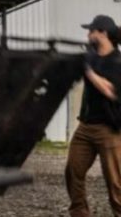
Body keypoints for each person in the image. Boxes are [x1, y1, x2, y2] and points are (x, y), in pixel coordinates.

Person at [66, 14, 121, 217]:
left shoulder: (117, 62)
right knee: (73, 171)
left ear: (103, 33)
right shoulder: (90, 56)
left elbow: (110, 90)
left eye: (91, 31)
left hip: (109, 129)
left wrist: (88, 72)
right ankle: (79, 213)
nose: (88, 34)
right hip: (85, 127)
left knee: (115, 183)